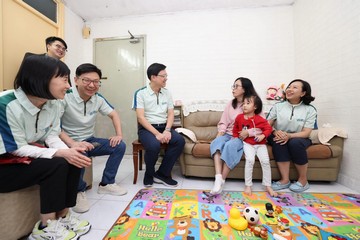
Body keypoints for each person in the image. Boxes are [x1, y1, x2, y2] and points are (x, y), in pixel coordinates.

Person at [0, 55, 91, 239]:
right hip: (5, 163)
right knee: (56, 163)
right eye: (64, 80)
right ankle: (46, 226)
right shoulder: (6, 104)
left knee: (73, 158)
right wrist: (59, 152)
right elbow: (15, 148)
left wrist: (68, 151)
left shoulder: (53, 104)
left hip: (24, 158)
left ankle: (64, 215)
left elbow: (51, 134)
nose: (68, 86)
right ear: (40, 78)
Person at [60, 63, 127, 213]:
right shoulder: (65, 97)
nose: (92, 85)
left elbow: (114, 114)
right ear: (76, 80)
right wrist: (73, 143)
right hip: (69, 142)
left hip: (90, 140)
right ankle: (77, 191)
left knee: (119, 146)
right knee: (79, 153)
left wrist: (119, 135)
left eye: (96, 82)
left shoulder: (98, 98)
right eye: (87, 80)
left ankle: (106, 184)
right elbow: (54, 126)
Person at [132, 63, 185, 188]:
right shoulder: (140, 93)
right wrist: (157, 134)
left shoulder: (167, 93)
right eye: (163, 76)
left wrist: (167, 130)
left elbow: (171, 114)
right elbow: (140, 117)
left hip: (164, 127)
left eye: (166, 75)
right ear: (153, 77)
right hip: (147, 129)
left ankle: (162, 173)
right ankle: (149, 174)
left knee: (179, 141)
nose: (166, 78)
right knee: (154, 145)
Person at [209, 77, 258, 195]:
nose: (233, 88)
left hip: (242, 136)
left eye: (237, 86)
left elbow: (261, 124)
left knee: (230, 146)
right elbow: (223, 122)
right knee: (216, 143)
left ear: (245, 89)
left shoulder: (254, 103)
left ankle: (222, 181)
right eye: (233, 86)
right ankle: (218, 177)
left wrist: (249, 132)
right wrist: (220, 133)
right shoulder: (231, 103)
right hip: (228, 133)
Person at [267, 79, 317, 193]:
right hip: (278, 134)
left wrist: (289, 136)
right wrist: (275, 132)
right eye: (289, 87)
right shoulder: (278, 106)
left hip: (299, 137)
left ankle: (303, 180)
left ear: (303, 93)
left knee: (295, 143)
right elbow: (267, 125)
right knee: (277, 140)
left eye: (294, 87)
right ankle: (285, 180)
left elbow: (306, 132)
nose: (289, 89)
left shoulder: (309, 109)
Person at [232, 95, 277, 197]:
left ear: (255, 107)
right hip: (247, 144)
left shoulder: (260, 119)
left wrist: (263, 135)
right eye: (243, 103)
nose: (244, 105)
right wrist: (235, 139)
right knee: (250, 161)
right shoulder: (239, 118)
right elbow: (235, 130)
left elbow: (268, 129)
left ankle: (268, 185)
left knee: (265, 162)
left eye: (248, 103)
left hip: (260, 145)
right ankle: (248, 185)